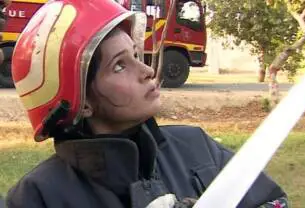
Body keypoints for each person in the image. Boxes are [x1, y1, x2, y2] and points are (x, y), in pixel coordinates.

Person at [6, 0, 288, 207]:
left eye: (135, 55)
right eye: (119, 66)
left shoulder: (197, 147)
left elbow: (272, 201)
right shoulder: (39, 196)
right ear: (83, 102)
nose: (147, 71)